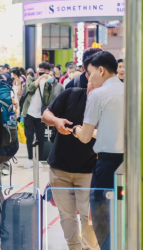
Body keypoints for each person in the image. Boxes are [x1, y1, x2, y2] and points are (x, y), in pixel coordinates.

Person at [72, 51, 124, 249]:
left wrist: (76, 130)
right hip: (130, 164)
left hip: (106, 167)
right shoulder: (130, 91)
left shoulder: (97, 95)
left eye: (90, 72)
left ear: (101, 70)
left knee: (103, 220)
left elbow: (85, 136)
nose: (89, 78)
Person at [42, 82, 99, 250]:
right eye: (91, 82)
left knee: (88, 217)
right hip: (59, 168)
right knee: (66, 216)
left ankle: (89, 248)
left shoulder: (108, 106)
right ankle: (73, 247)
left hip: (89, 171)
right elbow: (45, 115)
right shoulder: (71, 94)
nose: (93, 87)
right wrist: (56, 121)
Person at [21, 61, 53, 168]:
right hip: (29, 113)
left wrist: (50, 85)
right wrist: (39, 79)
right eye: (41, 70)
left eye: (45, 71)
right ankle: (30, 159)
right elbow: (30, 88)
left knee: (40, 138)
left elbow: (47, 101)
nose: (43, 73)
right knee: (29, 137)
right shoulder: (31, 78)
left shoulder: (48, 84)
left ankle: (38, 159)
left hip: (40, 115)